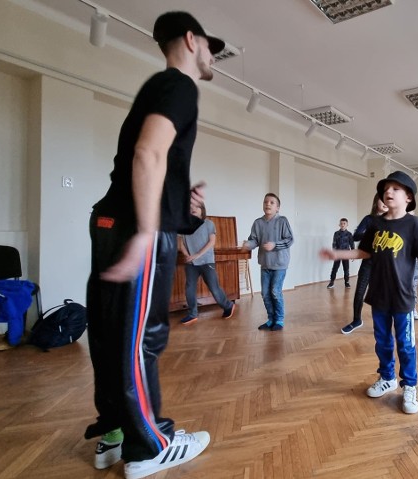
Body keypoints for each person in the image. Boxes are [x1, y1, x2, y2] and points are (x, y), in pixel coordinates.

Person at [84, 11, 223, 479]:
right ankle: (149, 444)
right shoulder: (181, 85)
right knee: (141, 338)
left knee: (110, 334)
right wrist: (147, 232)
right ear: (190, 39)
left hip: (109, 220)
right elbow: (148, 153)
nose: (211, 56)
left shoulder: (156, 89)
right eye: (209, 46)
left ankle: (116, 434)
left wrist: (183, 213)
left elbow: (145, 165)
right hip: (132, 228)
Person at [319, 171, 418, 414]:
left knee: (406, 344)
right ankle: (388, 377)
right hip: (379, 294)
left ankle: (409, 385)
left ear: (409, 197)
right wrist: (337, 254)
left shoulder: (413, 223)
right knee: (382, 341)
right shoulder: (376, 223)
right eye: (386, 189)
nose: (388, 192)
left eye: (395, 189)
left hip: (402, 296)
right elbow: (364, 253)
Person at [242, 193, 294, 331]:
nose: (268, 204)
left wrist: (274, 245)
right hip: (265, 264)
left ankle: (280, 320)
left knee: (275, 291)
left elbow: (290, 240)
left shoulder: (282, 221)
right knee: (265, 293)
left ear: (278, 208)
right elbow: (254, 240)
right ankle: (271, 319)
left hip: (280, 264)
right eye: (266, 202)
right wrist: (248, 244)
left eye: (272, 202)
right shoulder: (257, 223)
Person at [179, 202, 236, 325]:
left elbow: (211, 242)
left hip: (207, 261)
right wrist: (187, 255)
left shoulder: (209, 224)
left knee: (214, 288)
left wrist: (196, 255)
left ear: (202, 209)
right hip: (191, 263)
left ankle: (227, 306)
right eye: (190, 207)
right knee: (189, 287)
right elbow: (181, 243)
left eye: (196, 206)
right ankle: (192, 313)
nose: (192, 209)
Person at [340, 193, 388, 334]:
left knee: (381, 294)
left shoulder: (392, 220)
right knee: (360, 291)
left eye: (387, 199)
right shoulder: (369, 219)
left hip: (384, 264)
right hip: (368, 262)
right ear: (375, 202)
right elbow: (355, 236)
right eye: (381, 199)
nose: (385, 202)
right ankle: (356, 320)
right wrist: (371, 233)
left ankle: (382, 323)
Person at [327, 218, 353, 289]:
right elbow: (334, 244)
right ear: (339, 224)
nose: (342, 225)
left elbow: (352, 244)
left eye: (344, 223)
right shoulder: (336, 233)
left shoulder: (349, 234)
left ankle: (346, 282)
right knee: (335, 268)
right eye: (341, 223)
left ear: (347, 225)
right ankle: (331, 282)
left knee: (346, 269)